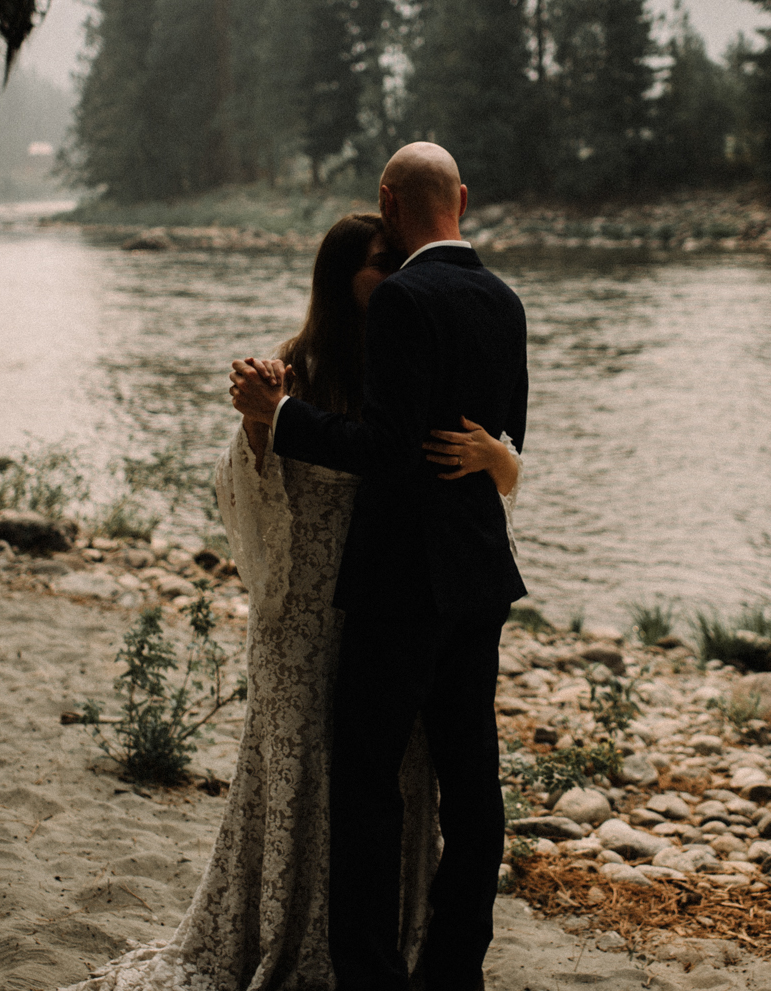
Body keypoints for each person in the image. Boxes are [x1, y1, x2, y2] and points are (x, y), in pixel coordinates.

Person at [72, 211, 520, 991]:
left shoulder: (411, 338)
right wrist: (260, 426)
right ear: (342, 278)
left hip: (396, 600)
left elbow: (462, 460)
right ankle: (302, 938)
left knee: (398, 782)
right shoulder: (294, 365)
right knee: (310, 773)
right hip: (310, 605)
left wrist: (500, 458)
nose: (401, 271)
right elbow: (240, 482)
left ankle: (398, 948)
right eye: (384, 263)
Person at [231, 143, 529, 991]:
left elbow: (389, 450)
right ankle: (452, 970)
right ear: (463, 199)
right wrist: (491, 457)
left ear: (388, 201)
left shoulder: (401, 298)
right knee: (473, 788)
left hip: (402, 582)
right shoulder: (505, 302)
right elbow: (508, 439)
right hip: (480, 578)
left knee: (366, 785)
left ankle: (369, 975)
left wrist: (281, 415)